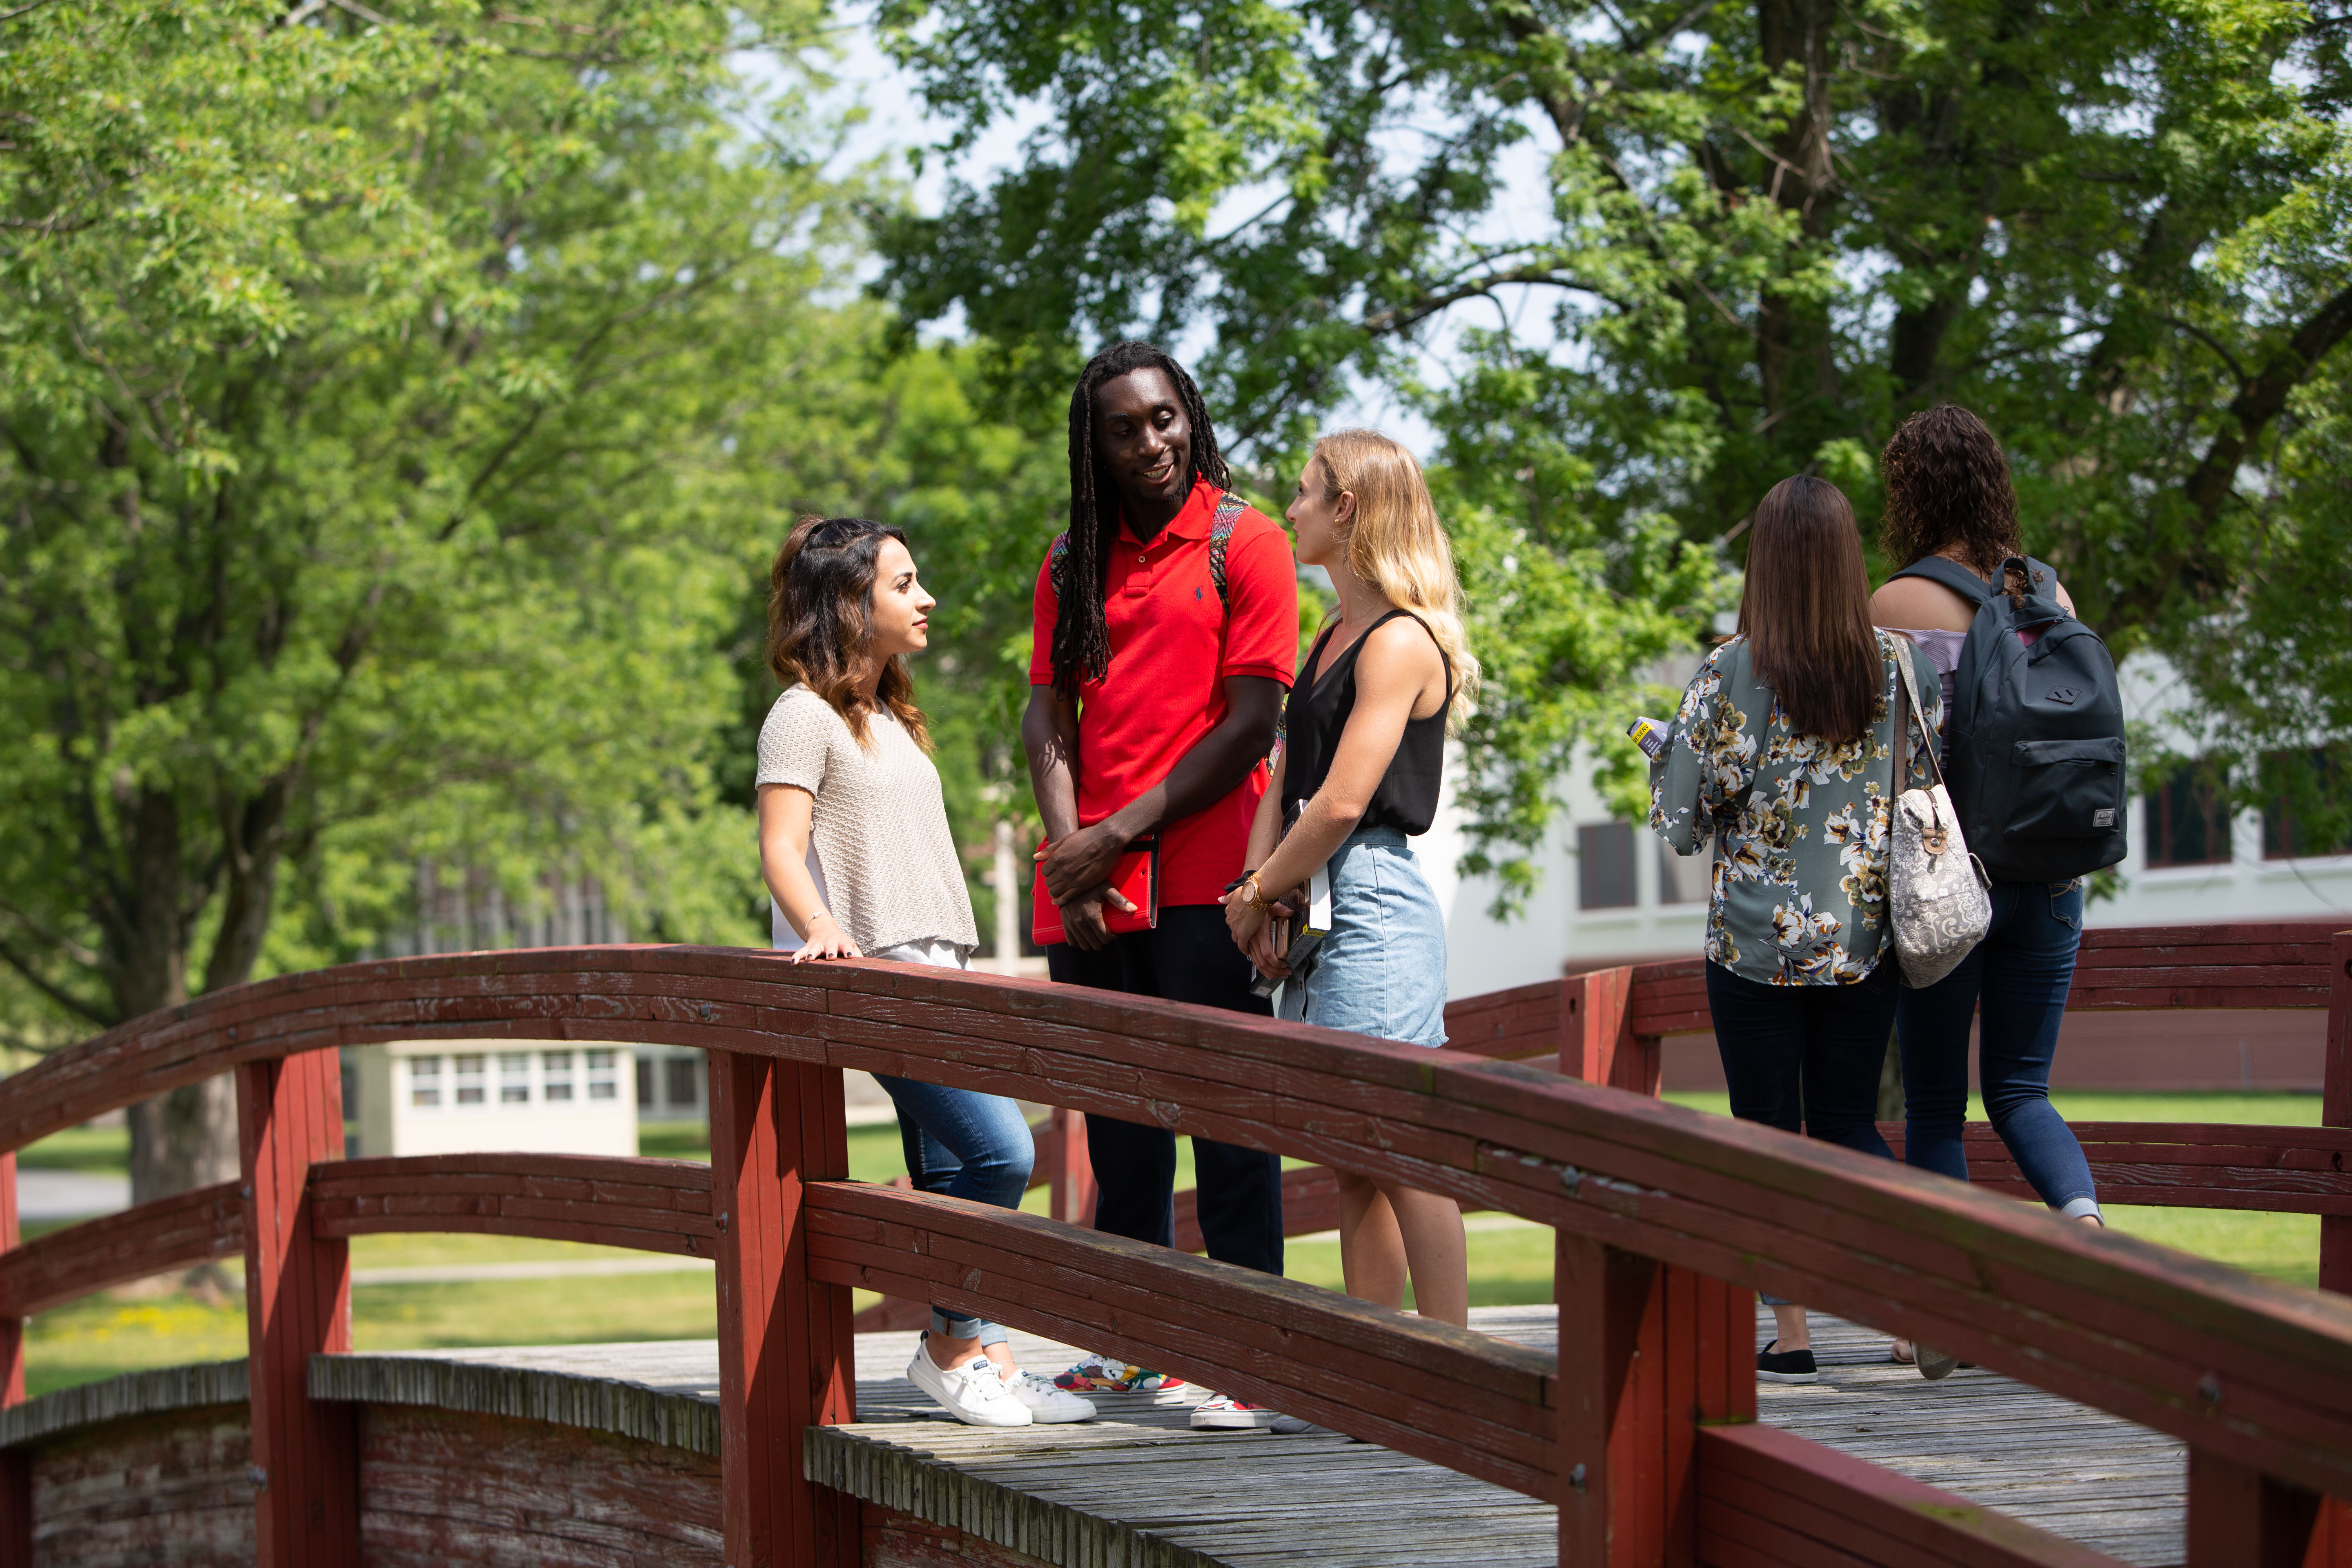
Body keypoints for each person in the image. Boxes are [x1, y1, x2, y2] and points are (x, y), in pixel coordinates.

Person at [757, 514, 1095, 1430]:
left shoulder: (890, 714)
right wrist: (825, 932)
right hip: (883, 977)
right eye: (904, 583)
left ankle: (979, 1355)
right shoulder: (803, 714)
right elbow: (781, 849)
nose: (926, 597)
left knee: (951, 1174)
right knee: (1005, 1152)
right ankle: (951, 1342)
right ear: (848, 603)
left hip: (941, 970)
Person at [1023, 341, 1298, 1432]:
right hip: (1095, 892)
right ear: (1095, 448)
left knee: (1227, 1120)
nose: (1151, 442)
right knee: (1120, 1128)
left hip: (1205, 884)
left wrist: (1113, 837)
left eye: (1165, 418)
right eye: (1126, 428)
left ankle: (1248, 1360)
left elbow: (1252, 725)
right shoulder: (1068, 562)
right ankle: (1133, 1353)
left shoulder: (1251, 541)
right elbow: (1047, 716)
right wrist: (1069, 856)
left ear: (1192, 417)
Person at [1649, 474, 1942, 1385]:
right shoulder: (1900, 665)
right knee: (1852, 1125)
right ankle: (1916, 1308)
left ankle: (1795, 1334)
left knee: (1767, 1132)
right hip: (1865, 939)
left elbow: (1682, 825)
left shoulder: (1729, 671)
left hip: (1753, 947)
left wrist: (1666, 754)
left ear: (1765, 566)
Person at [1225, 430, 1477, 1335]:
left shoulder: (1402, 641)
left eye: (1302, 493)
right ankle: (1377, 1363)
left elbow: (1338, 805)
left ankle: (1455, 1365)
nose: (1287, 509)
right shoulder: (1333, 633)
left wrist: (1256, 897)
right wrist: (1258, 886)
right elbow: (1290, 774)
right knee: (1354, 1154)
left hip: (1369, 899)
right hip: (1316, 895)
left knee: (1401, 1149)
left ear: (1348, 507)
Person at [1870, 407, 2105, 1233]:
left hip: (1946, 887)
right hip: (2048, 877)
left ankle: (1941, 1298)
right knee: (2022, 1092)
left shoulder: (1895, 599)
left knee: (1936, 1108)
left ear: (1910, 493)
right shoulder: (2049, 593)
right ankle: (2083, 1227)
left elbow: (1874, 756)